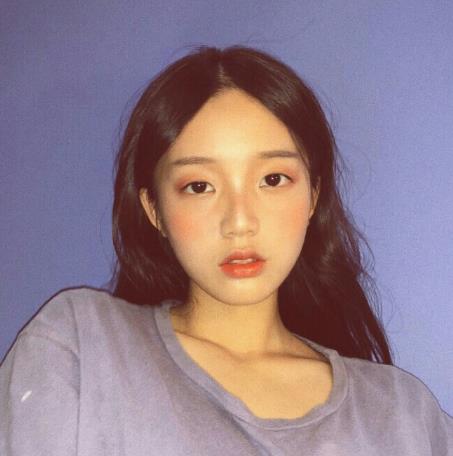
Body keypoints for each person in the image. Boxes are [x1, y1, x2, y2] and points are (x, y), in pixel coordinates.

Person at [0, 45, 451, 455]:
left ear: (313, 195)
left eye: (272, 179)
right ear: (154, 209)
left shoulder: (403, 417)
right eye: (200, 186)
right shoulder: (83, 348)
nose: (239, 221)